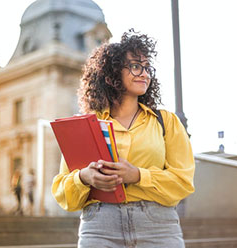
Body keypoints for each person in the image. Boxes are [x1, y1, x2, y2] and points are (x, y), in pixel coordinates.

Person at [52, 29, 195, 248]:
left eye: (148, 68)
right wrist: (84, 177)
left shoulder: (166, 122)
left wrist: (138, 175)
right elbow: (63, 191)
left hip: (157, 226)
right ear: (112, 72)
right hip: (99, 226)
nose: (145, 73)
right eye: (136, 66)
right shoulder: (87, 125)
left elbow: (183, 182)